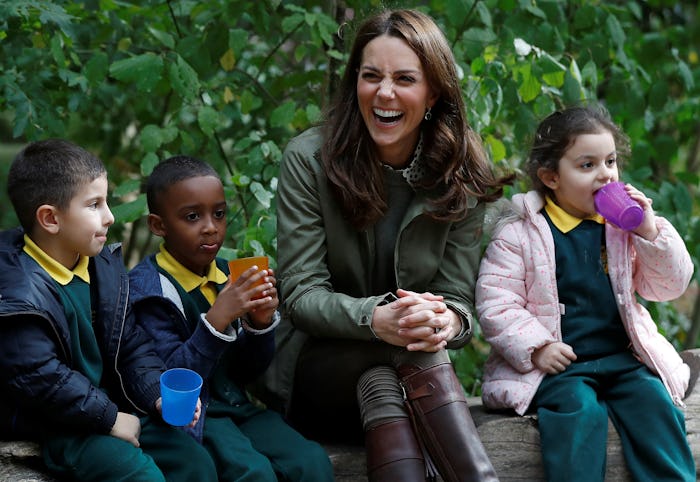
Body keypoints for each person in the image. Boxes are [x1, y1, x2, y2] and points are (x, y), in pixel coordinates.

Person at [253, 9, 513, 482]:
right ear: (355, 81)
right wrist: (377, 318)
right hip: (315, 371)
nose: (384, 93)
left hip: (401, 380)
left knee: (385, 383)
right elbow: (302, 296)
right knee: (411, 351)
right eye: (371, 76)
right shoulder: (310, 159)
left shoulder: (460, 171)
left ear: (433, 92)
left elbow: (458, 301)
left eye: (404, 79)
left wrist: (446, 320)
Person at [475, 105, 696, 481]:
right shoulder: (520, 234)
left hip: (621, 359)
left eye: (610, 161)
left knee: (655, 404)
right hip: (562, 366)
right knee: (578, 413)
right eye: (587, 165)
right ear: (551, 177)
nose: (605, 174)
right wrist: (538, 347)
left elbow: (669, 286)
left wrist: (650, 232)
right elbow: (497, 302)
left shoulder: (623, 229)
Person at [0, 139, 217, 482]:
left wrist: (156, 395)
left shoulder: (102, 268)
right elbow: (43, 379)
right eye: (94, 205)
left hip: (108, 406)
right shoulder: (17, 294)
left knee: (193, 462)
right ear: (50, 219)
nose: (110, 217)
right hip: (59, 423)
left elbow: (130, 346)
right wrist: (111, 419)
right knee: (141, 475)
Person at [128, 155, 335, 482]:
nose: (211, 227)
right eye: (192, 216)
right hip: (197, 418)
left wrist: (259, 324)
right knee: (252, 473)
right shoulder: (149, 290)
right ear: (158, 225)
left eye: (219, 214)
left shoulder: (228, 276)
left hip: (238, 408)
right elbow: (169, 383)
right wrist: (215, 322)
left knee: (310, 461)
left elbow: (246, 372)